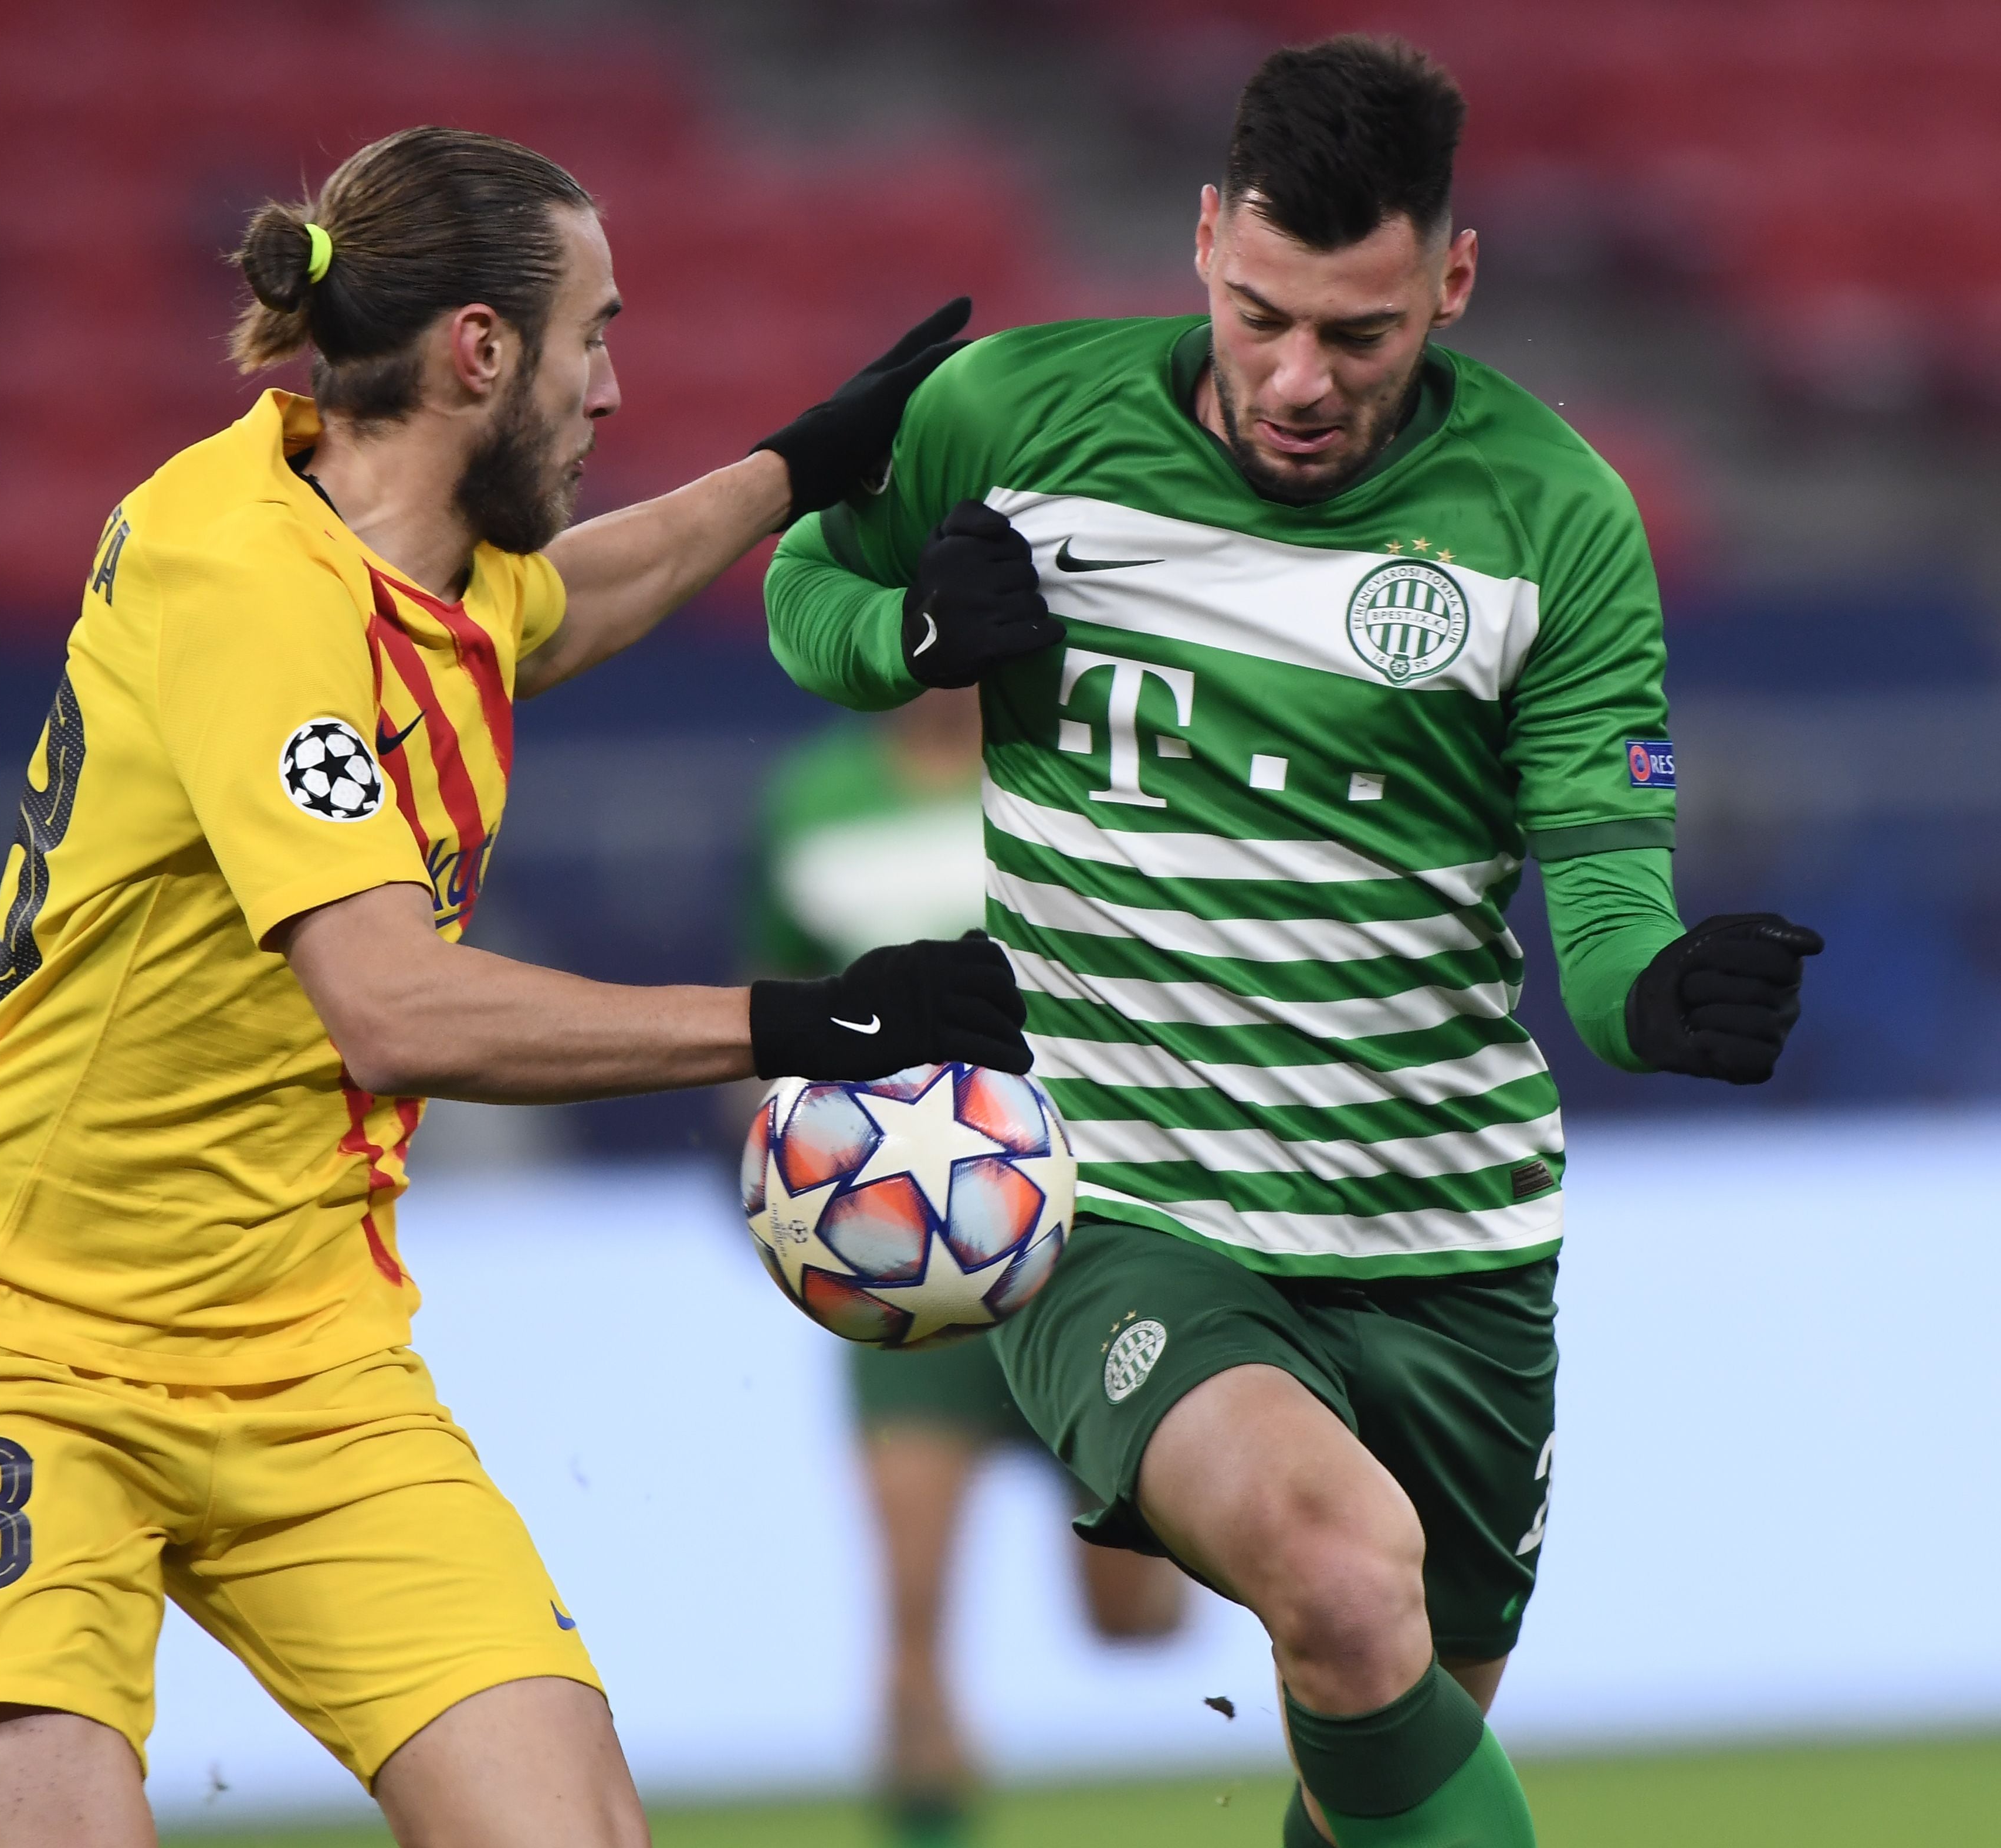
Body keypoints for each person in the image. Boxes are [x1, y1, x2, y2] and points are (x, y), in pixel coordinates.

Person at [0, 126, 1028, 1848]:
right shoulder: (243, 577)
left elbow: (555, 610)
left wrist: (796, 466)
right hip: (30, 1343)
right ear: (481, 350)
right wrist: (799, 1024)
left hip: (310, 1353)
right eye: (591, 338)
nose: (610, 388)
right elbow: (393, 1008)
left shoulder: (413, 557)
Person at [764, 38, 1821, 1847]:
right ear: (1201, 241)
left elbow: (1599, 916)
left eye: (1358, 332)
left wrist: (1654, 1001)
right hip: (1129, 1211)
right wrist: (907, 639)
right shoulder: (1007, 418)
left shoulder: (1552, 517)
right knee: (1337, 1578)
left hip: (1450, 1248)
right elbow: (805, 580)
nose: (1297, 378)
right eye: (1259, 316)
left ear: (1452, 283)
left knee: (1374, 1757)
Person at [749, 686, 1187, 1846]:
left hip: (1079, 1249)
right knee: (910, 1613)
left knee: (1131, 1623)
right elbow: (773, 1000)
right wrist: (770, 1164)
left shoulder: (1070, 777)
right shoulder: (812, 798)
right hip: (896, 1265)